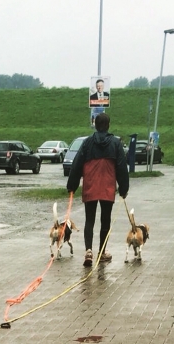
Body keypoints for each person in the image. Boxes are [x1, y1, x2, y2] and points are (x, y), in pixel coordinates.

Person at [66, 113, 129, 267]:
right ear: (108, 125)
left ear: (95, 124)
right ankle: (102, 252)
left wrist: (72, 185)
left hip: (91, 184)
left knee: (89, 219)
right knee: (105, 220)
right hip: (107, 186)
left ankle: (88, 250)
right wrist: (124, 188)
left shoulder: (87, 143)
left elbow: (77, 165)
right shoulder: (116, 143)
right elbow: (121, 167)